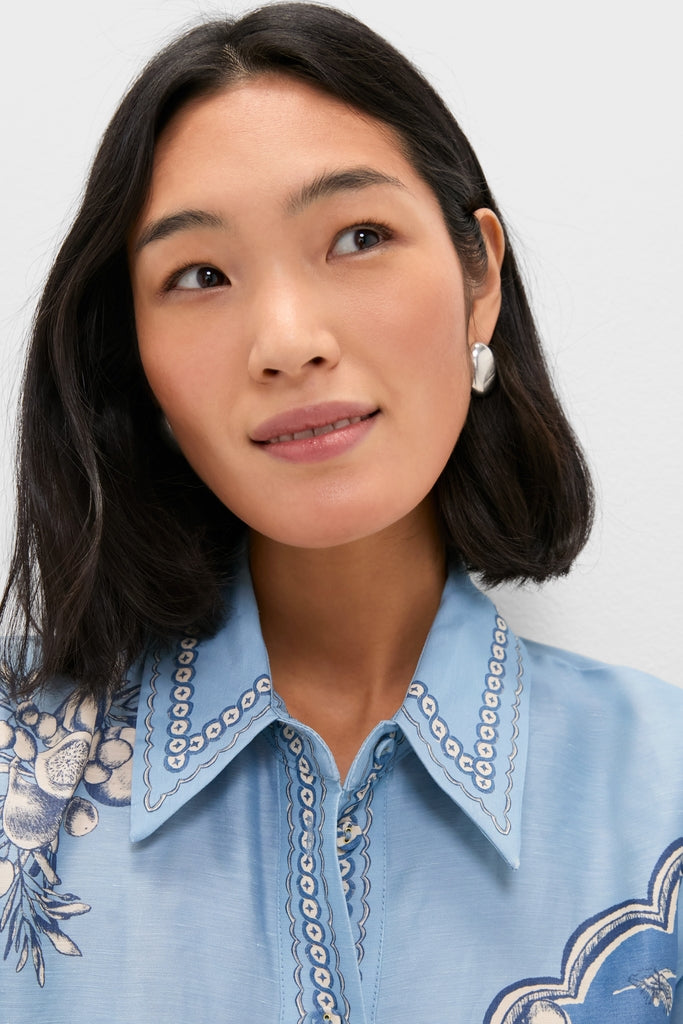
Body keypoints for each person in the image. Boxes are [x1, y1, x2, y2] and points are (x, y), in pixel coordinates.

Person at [0, 4, 681, 1021]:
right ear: (132, 361)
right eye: (199, 275)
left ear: (478, 277)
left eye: (357, 236)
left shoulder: (661, 794)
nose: (286, 338)